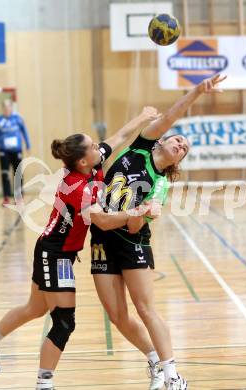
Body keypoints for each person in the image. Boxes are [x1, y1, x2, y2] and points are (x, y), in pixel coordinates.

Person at [0, 107, 160, 390]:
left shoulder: (89, 164)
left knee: (34, 308)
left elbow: (118, 137)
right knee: (64, 322)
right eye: (94, 146)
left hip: (55, 251)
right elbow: (103, 222)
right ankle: (44, 383)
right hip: (53, 253)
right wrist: (137, 212)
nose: (99, 147)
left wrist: (144, 118)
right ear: (83, 160)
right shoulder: (77, 187)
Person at [90, 74, 227, 390]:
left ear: (178, 160)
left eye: (185, 148)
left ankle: (174, 376)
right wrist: (196, 91)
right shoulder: (140, 147)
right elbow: (169, 116)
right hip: (101, 239)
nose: (181, 144)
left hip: (131, 242)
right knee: (117, 316)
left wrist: (138, 214)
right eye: (178, 139)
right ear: (162, 140)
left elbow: (135, 224)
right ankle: (154, 360)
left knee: (145, 309)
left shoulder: (161, 183)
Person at [0, 99, 31, 206]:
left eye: (8, 107)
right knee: (5, 174)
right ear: (2, 109)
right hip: (4, 151)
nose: (6, 109)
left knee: (18, 173)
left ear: (11, 108)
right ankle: (6, 197)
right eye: (4, 107)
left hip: (16, 150)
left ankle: (19, 197)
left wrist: (28, 145)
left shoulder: (18, 118)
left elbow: (24, 132)